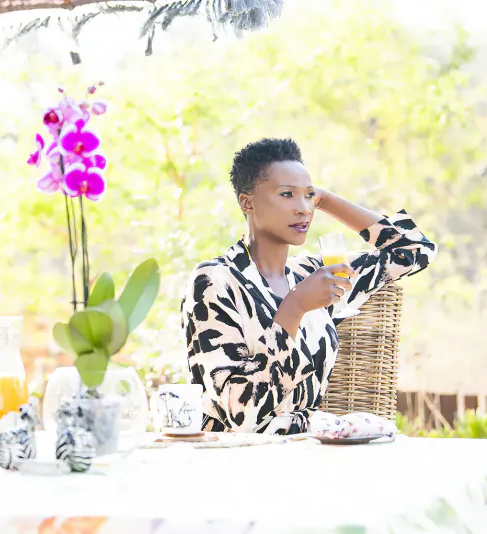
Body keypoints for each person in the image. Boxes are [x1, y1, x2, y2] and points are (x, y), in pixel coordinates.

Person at [181, 138, 437, 434]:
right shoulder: (215, 281)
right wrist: (295, 306)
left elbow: (415, 249)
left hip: (309, 454)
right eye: (287, 194)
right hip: (235, 461)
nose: (303, 209)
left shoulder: (313, 275)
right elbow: (241, 415)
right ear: (247, 202)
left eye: (308, 197)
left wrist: (326, 200)